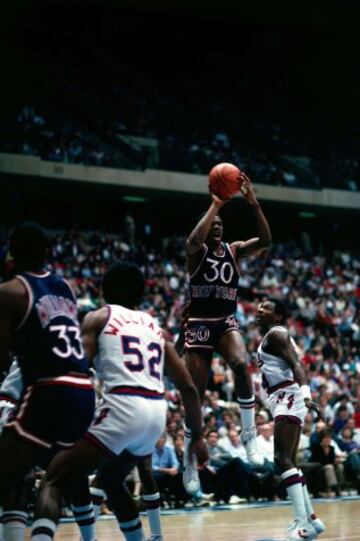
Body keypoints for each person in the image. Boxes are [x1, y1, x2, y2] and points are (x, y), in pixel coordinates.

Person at [31, 261, 208, 541]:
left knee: (53, 479)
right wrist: (197, 436)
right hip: (155, 415)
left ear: (105, 289)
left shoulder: (99, 317)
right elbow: (187, 386)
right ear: (140, 294)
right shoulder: (155, 327)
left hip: (123, 406)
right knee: (112, 481)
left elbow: (77, 366)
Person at [0, 222, 96, 539]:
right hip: (84, 394)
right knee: (43, 478)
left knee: (9, 474)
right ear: (46, 254)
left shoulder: (10, 291)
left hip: (50, 391)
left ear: (10, 257)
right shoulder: (64, 286)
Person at [183, 174, 272, 493]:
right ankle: (189, 458)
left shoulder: (233, 250)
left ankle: (249, 438)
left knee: (240, 363)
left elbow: (265, 242)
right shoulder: (196, 250)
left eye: (221, 222)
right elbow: (193, 240)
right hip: (198, 324)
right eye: (212, 223)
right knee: (194, 393)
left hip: (224, 321)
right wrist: (215, 204)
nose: (217, 225)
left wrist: (253, 204)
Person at [256, 298, 325, 541]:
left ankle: (303, 525)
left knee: (281, 459)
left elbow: (297, 364)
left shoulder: (277, 334)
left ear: (278, 316)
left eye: (266, 308)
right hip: (284, 396)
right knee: (290, 462)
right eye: (259, 306)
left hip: (288, 395)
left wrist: (306, 396)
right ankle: (313, 521)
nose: (259, 309)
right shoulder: (274, 335)